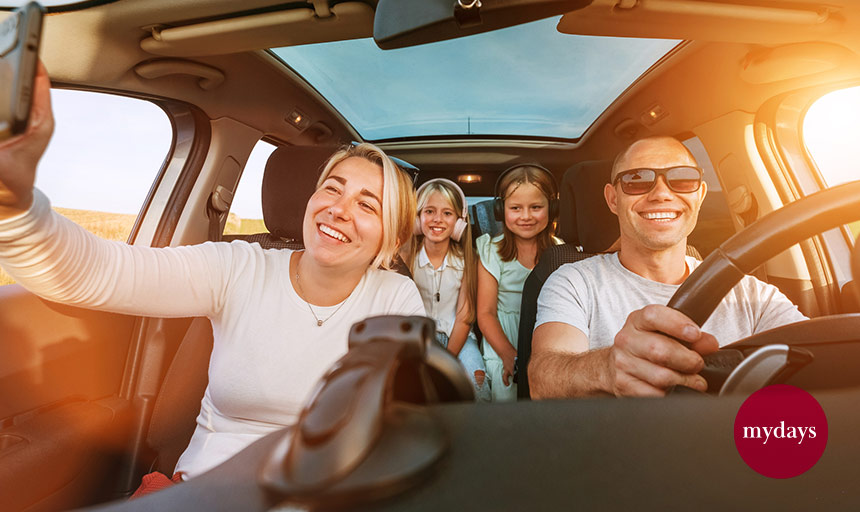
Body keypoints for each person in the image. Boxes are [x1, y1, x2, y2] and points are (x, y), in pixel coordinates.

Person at [0, 64, 426, 486]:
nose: (339, 208)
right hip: (200, 491)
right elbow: (100, 272)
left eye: (368, 205)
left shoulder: (395, 298)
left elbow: (403, 429)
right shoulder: (240, 266)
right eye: (333, 187)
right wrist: (13, 206)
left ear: (391, 238)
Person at [529, 136, 806, 399]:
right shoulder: (574, 281)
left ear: (700, 194)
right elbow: (543, 379)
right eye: (637, 180)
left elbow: (816, 359)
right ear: (613, 199)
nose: (661, 193)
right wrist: (607, 369)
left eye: (682, 179)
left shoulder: (752, 294)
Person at [477, 164, 560, 402]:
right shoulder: (491, 251)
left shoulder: (562, 252)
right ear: (500, 211)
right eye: (515, 208)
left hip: (547, 340)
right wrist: (508, 354)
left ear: (552, 208)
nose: (526, 216)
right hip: (503, 340)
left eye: (536, 207)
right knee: (507, 401)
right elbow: (485, 313)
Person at [406, 178, 490, 402]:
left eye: (447, 213)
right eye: (429, 211)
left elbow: (464, 318)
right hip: (418, 339)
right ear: (417, 217)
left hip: (460, 339)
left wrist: (447, 359)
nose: (437, 220)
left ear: (460, 222)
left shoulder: (466, 262)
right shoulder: (408, 260)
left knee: (479, 387)